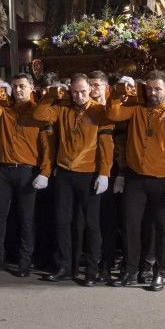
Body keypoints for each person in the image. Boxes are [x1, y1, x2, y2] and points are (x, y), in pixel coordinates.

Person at [90, 74, 165, 291]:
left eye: (157, 89)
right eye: (149, 89)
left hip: (164, 181)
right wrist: (119, 91)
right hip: (136, 180)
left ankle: (160, 273)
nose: (153, 93)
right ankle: (130, 271)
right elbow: (112, 113)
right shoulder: (137, 109)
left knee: (164, 230)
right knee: (130, 227)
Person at [32, 75, 113, 284]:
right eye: (75, 92)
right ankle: (65, 266)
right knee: (62, 221)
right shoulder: (63, 108)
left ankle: (92, 270)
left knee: (92, 224)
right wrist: (51, 94)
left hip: (89, 173)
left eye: (83, 92)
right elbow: (40, 115)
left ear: (90, 90)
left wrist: (104, 173)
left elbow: (106, 145)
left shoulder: (99, 110)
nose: (79, 96)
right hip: (65, 173)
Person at [0, 75, 53, 277]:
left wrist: (45, 172)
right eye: (16, 86)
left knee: (27, 219)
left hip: (26, 170)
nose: (18, 90)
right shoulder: (5, 109)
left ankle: (25, 261)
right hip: (2, 169)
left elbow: (46, 146)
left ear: (31, 88)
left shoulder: (38, 112)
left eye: (23, 86)